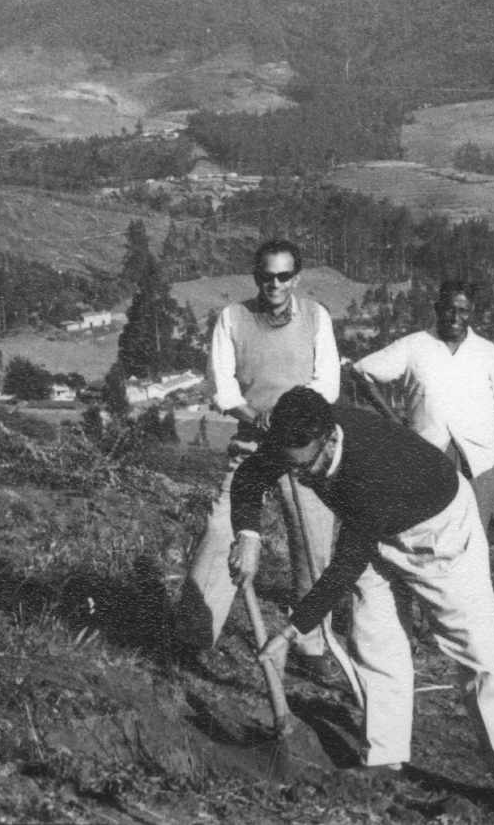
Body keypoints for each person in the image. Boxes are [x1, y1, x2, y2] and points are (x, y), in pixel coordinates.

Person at [228, 386, 494, 811]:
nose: (301, 477)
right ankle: (384, 756)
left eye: (307, 469)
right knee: (373, 633)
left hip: (439, 531)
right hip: (375, 531)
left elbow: (345, 565)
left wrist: (290, 630)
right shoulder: (297, 436)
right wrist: (247, 535)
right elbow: (250, 477)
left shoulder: (370, 465)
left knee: (474, 644)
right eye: (292, 470)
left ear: (331, 438)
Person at [176, 240, 341, 680]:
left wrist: (291, 419)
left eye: (284, 276)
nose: (275, 284)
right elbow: (223, 387)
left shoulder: (316, 318)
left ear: (297, 278)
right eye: (267, 276)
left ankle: (310, 642)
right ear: (256, 277)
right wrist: (256, 418)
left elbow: (328, 385)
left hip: (305, 444)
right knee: (221, 530)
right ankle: (193, 633)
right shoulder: (232, 318)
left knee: (313, 543)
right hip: (254, 440)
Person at [351, 280, 494, 528]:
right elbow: (362, 372)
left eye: (463, 311)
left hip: (480, 463)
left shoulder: (487, 352)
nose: (455, 317)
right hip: (427, 457)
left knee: (475, 539)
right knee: (429, 536)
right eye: (449, 309)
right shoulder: (414, 345)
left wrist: (493, 448)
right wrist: (394, 422)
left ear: (472, 312)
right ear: (438, 308)